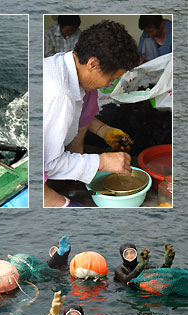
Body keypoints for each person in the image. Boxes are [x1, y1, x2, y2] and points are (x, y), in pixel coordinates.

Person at [44, 20, 139, 207]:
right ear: (93, 63)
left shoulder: (72, 67)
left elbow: (78, 117)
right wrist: (101, 162)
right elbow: (48, 164)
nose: (109, 84)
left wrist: (104, 130)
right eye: (111, 78)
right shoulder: (59, 95)